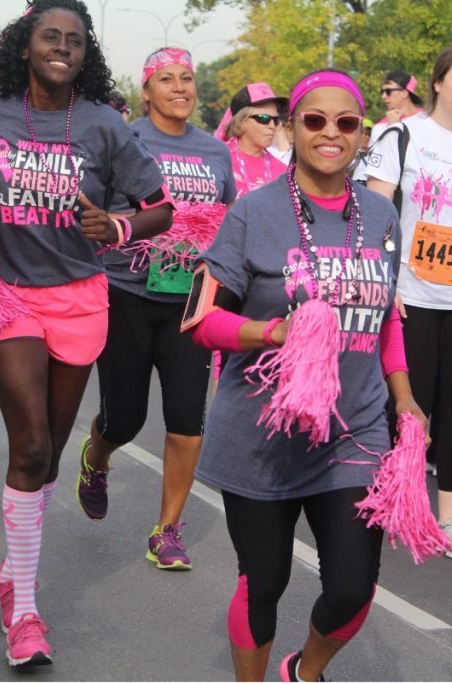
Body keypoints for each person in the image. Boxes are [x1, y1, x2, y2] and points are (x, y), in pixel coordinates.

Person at [190, 70, 425, 681]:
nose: (330, 133)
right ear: (292, 128)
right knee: (264, 580)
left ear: (360, 135)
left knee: (352, 586)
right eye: (314, 120)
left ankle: (305, 671)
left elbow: (385, 321)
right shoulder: (253, 213)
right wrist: (272, 333)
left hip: (355, 430)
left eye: (346, 123)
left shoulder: (380, 216)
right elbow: (203, 321)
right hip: (262, 435)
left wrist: (405, 399)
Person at [0, 0, 173, 666]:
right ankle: (24, 609)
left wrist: (115, 228)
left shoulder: (105, 125)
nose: (62, 47)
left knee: (48, 453)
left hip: (80, 298)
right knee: (27, 443)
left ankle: (10, 570)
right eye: (49, 37)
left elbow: (160, 209)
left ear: (86, 54)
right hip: (6, 294)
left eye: (74, 40)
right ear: (24, 47)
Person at [76, 47, 235, 570]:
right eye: (165, 79)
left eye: (186, 78)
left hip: (189, 300)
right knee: (124, 418)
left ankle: (166, 531)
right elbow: (92, 208)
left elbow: (229, 218)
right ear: (145, 91)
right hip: (126, 292)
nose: (179, 87)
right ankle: (97, 456)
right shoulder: (126, 139)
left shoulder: (216, 151)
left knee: (188, 419)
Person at [367, 47, 452, 557]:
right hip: (410, 294)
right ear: (439, 82)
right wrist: (384, 277)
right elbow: (376, 208)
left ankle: (447, 515)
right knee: (407, 406)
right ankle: (394, 499)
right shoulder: (404, 135)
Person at [217, 82, 288, 198]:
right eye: (264, 118)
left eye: (275, 120)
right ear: (241, 122)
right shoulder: (218, 161)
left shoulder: (284, 172)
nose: (272, 126)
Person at [370, 70, 423, 144]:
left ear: (404, 93)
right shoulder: (379, 127)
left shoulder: (428, 120)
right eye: (382, 92)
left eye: (388, 91)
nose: (383, 96)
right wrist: (391, 127)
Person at [351, 116, 373, 184]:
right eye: (364, 133)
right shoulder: (349, 155)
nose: (367, 137)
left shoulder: (374, 155)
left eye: (369, 134)